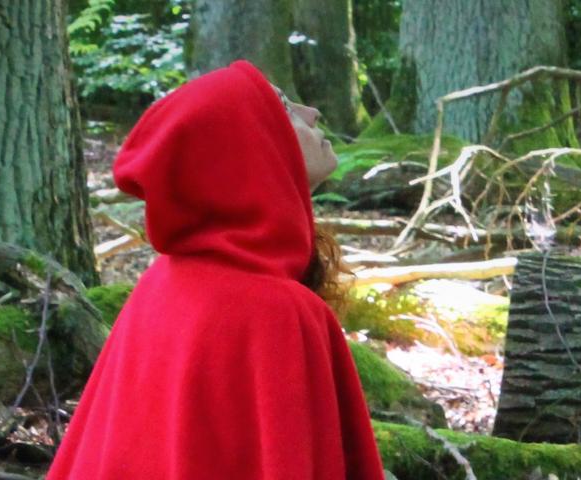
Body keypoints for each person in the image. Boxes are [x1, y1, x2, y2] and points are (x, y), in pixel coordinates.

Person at [47, 60, 385, 479]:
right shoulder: (276, 312)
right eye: (283, 106)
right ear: (245, 146)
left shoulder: (162, 282)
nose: (311, 112)